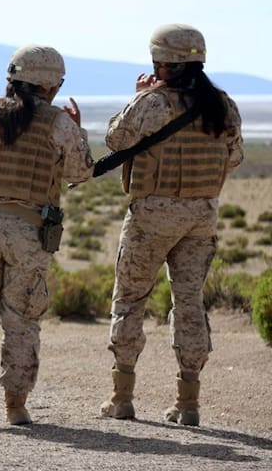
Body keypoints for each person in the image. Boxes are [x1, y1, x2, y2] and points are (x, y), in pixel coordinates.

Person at [100, 24, 244, 426]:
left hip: (151, 217)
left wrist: (141, 95)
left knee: (129, 300)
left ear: (162, 63)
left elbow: (115, 139)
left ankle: (122, 397)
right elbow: (233, 159)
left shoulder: (152, 103)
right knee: (190, 303)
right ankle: (188, 403)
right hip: (200, 217)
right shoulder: (225, 106)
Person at [0, 44, 95, 426]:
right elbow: (81, 172)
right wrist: (77, 129)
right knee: (22, 320)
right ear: (52, 86)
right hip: (29, 231)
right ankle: (16, 405)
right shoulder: (59, 123)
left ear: (13, 79)